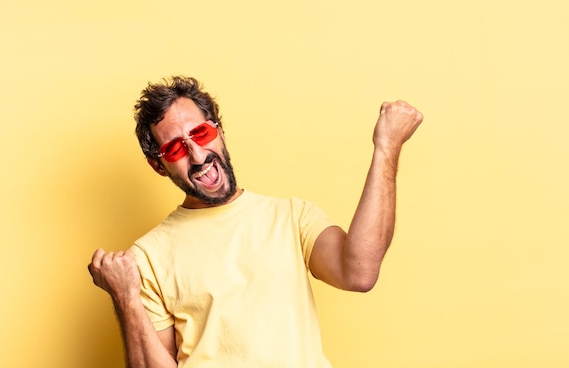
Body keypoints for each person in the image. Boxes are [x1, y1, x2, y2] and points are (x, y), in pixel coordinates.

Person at [88, 76, 423, 368]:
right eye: (175, 148)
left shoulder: (293, 217)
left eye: (201, 133)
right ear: (158, 166)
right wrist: (126, 298)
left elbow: (360, 272)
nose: (198, 155)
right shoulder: (146, 257)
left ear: (218, 129)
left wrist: (386, 147)